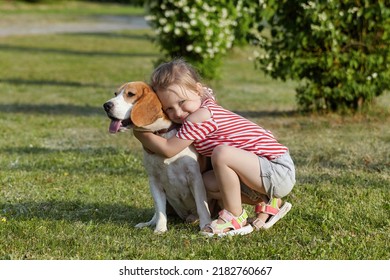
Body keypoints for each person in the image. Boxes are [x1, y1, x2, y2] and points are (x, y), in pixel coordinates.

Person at [134, 58, 296, 237]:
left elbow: (169, 149)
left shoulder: (199, 117)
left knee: (222, 153)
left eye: (181, 102)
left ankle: (235, 216)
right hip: (259, 170)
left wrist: (140, 132)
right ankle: (269, 202)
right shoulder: (202, 101)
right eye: (169, 109)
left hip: (276, 169)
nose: (178, 113)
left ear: (197, 89)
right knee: (207, 183)